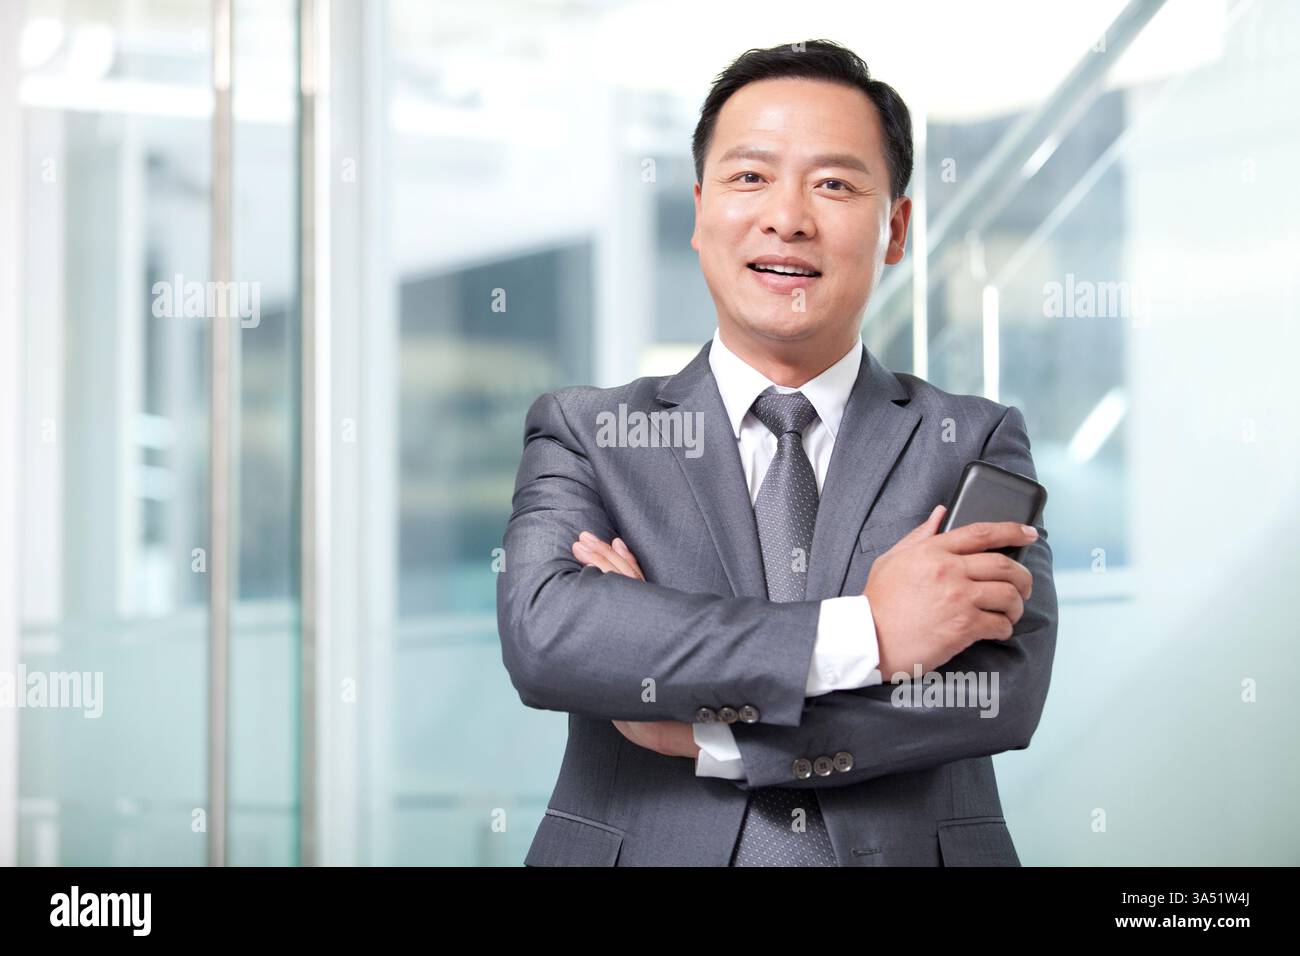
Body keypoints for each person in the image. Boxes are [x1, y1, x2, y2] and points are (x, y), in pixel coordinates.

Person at [497, 39, 1057, 866]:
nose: (787, 216)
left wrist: (715, 739)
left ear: (895, 227)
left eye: (833, 183)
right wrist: (868, 631)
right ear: (698, 211)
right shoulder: (590, 432)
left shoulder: (969, 440)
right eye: (750, 177)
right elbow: (552, 639)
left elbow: (996, 695)